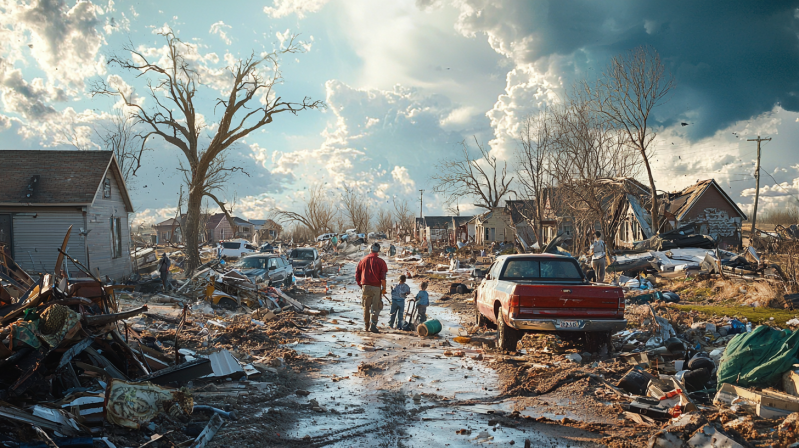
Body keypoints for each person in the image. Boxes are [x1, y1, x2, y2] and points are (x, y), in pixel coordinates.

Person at [356, 243, 388, 333]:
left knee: (366, 306)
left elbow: (357, 275)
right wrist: (384, 288)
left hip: (365, 286)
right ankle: (373, 325)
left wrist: (361, 285)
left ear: (370, 250)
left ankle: (366, 325)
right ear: (378, 251)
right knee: (375, 307)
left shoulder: (363, 260)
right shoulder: (381, 262)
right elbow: (383, 278)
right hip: (376, 287)